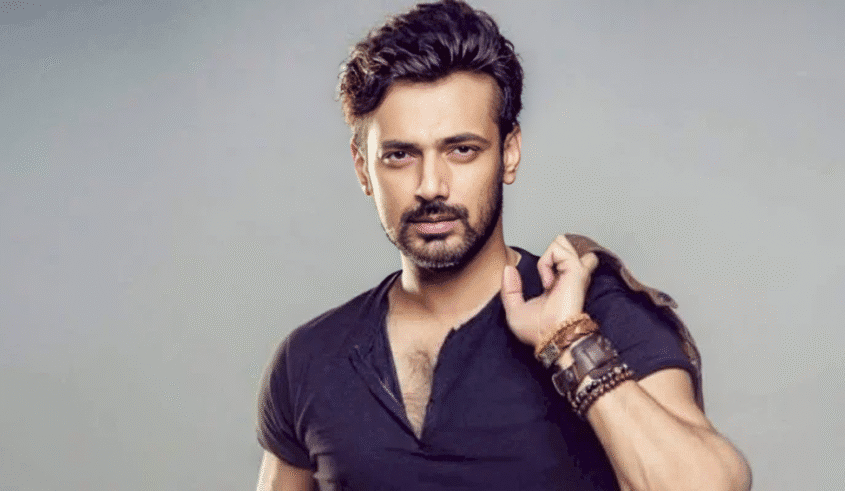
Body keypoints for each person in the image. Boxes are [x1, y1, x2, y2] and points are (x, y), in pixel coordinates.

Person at [256, 1, 752, 490]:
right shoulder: (308, 360)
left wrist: (567, 341)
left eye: (462, 150)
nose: (431, 186)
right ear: (363, 168)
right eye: (401, 155)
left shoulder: (596, 311)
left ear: (509, 153)